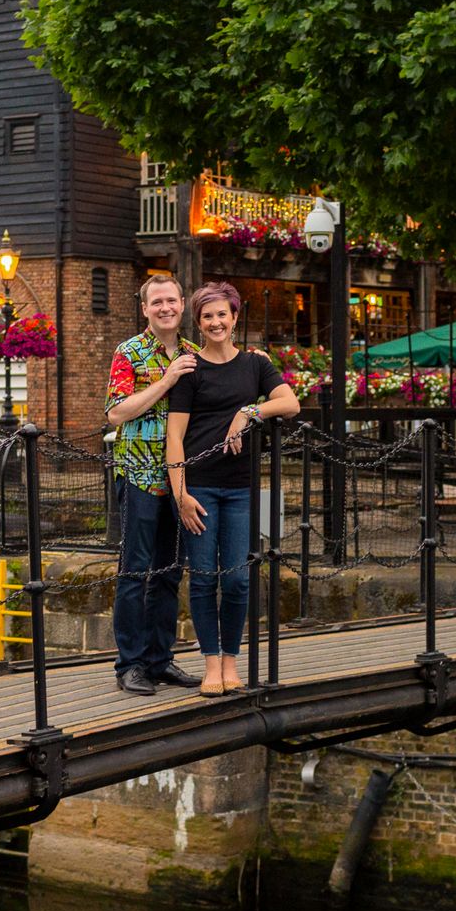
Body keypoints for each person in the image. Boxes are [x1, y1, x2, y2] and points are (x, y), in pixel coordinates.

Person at [166, 282, 300, 696]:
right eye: (207, 316)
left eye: (222, 314)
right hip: (200, 488)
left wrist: (248, 411)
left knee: (239, 579)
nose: (216, 322)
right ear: (199, 323)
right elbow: (175, 438)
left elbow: (290, 402)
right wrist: (180, 493)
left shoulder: (255, 366)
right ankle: (210, 665)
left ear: (235, 317)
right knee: (205, 577)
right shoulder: (190, 370)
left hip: (241, 487)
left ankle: (230, 661)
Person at [105, 274, 203, 696]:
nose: (165, 308)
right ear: (145, 308)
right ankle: (129, 664)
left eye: (172, 300)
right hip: (139, 475)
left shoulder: (195, 354)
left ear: (182, 305)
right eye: (156, 302)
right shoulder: (129, 352)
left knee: (168, 573)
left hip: (179, 477)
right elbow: (116, 412)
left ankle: (160, 660)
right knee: (134, 572)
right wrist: (166, 381)